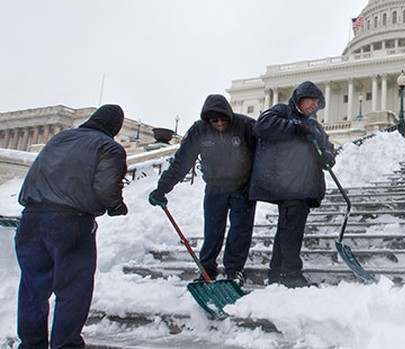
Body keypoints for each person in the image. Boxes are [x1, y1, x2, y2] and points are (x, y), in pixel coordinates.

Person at [15, 104, 128, 348]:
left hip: (31, 218)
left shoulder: (60, 138)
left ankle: (31, 344)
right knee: (73, 290)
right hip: (70, 223)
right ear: (115, 127)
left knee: (33, 288)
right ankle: (65, 344)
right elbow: (106, 185)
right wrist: (116, 205)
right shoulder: (108, 147)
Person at [148, 94, 257, 286]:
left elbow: (263, 153)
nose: (220, 124)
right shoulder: (199, 130)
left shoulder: (245, 125)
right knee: (213, 230)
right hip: (215, 187)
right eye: (215, 121)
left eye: (224, 120)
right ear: (208, 119)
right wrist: (162, 188)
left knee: (240, 230)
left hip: (242, 187)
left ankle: (234, 270)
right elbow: (182, 161)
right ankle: (207, 269)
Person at [249, 81, 335, 288]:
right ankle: (291, 273)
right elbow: (262, 127)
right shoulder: (282, 111)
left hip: (305, 184)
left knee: (287, 229)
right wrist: (296, 128)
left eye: (317, 102)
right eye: (311, 100)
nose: (314, 105)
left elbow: (326, 144)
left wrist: (329, 155)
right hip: (288, 182)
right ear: (299, 97)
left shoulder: (313, 123)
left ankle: (277, 272)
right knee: (292, 230)